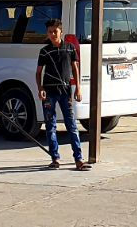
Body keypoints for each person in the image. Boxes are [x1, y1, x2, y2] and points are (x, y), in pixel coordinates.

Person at [36, 18, 90, 171]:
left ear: (61, 31)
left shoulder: (70, 48)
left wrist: (78, 88)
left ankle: (78, 159)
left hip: (66, 91)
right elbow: (39, 72)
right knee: (50, 126)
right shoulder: (44, 51)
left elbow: (75, 68)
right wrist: (40, 88)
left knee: (71, 125)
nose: (52, 34)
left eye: (55, 31)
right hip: (49, 92)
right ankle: (55, 158)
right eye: (50, 32)